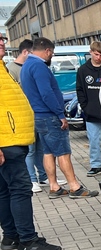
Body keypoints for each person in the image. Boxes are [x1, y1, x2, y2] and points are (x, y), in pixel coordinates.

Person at [0, 41, 63, 250]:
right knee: (20, 189)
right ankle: (27, 241)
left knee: (5, 190)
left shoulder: (3, 67)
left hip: (11, 138)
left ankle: (11, 236)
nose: (2, 42)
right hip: (7, 141)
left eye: (2, 38)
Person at [20, 37, 98, 199]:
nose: (52, 56)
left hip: (38, 115)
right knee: (63, 152)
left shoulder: (26, 65)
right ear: (47, 51)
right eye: (52, 53)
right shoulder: (39, 66)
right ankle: (74, 187)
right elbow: (46, 93)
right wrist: (60, 114)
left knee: (48, 152)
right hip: (49, 116)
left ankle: (54, 186)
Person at [6, 39, 52, 193]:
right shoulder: (11, 69)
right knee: (30, 150)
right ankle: (32, 179)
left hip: (35, 113)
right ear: (25, 52)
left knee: (40, 147)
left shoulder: (30, 66)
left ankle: (43, 176)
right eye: (32, 53)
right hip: (22, 117)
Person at [76, 41, 101, 177]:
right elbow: (80, 90)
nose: (99, 57)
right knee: (93, 140)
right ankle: (96, 165)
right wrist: (85, 106)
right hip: (91, 112)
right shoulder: (83, 70)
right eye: (96, 54)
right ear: (90, 52)